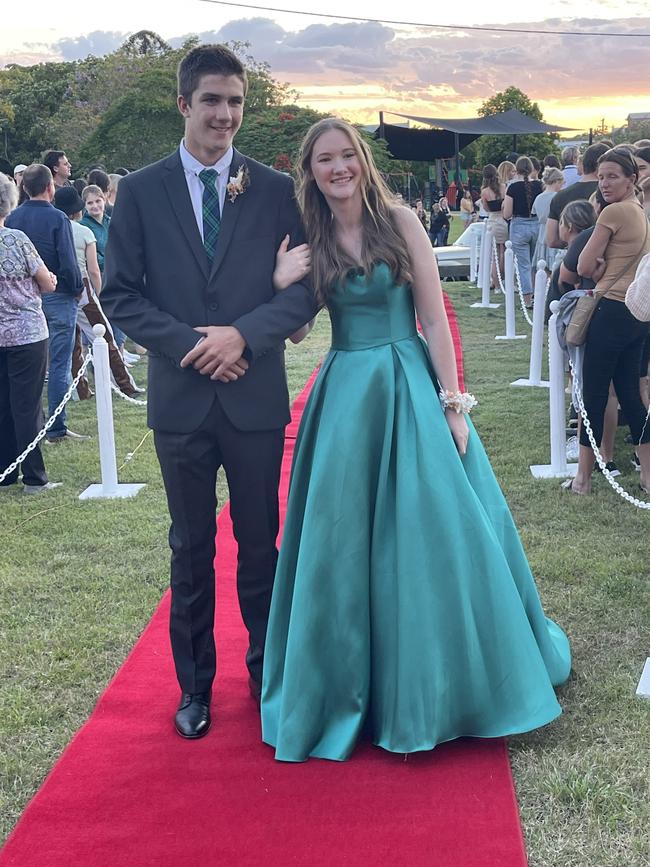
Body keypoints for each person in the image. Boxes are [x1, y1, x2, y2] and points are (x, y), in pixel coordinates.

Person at [260, 118, 571, 763]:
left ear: (362, 161)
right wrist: (280, 280)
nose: (338, 168)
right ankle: (353, 687)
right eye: (325, 160)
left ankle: (445, 682)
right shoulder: (310, 234)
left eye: (347, 156)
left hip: (407, 382)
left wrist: (453, 404)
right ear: (309, 170)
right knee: (343, 539)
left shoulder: (399, 221)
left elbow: (432, 313)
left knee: (432, 529)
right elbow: (294, 335)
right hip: (345, 394)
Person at [100, 44, 315, 740]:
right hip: (182, 402)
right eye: (213, 100)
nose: (225, 115)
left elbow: (309, 290)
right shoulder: (139, 190)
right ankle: (194, 687)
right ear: (184, 103)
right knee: (190, 548)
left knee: (262, 544)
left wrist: (243, 336)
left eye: (236, 102)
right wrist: (198, 344)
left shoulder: (278, 190)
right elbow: (122, 297)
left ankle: (264, 673)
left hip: (253, 398)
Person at [571, 148, 650, 494]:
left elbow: (583, 267)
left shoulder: (614, 212)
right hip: (636, 312)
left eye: (613, 176)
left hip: (609, 309)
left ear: (631, 179)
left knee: (594, 394)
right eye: (601, 176)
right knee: (632, 395)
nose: (604, 183)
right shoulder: (641, 213)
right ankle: (647, 476)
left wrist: (600, 267)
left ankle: (583, 478)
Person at [5, 164, 87, 443]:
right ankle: (55, 426)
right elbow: (68, 260)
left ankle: (30, 427)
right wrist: (77, 289)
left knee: (28, 373)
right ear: (51, 187)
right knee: (60, 364)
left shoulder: (12, 219)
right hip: (58, 294)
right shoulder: (58, 218)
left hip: (22, 301)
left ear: (24, 188)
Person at [0, 172, 60, 492]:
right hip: (26, 335)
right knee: (27, 407)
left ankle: (5, 471)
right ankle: (34, 477)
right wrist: (50, 278)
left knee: (3, 405)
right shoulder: (16, 240)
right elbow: (46, 282)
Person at [546, 142, 609, 250]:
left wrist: (573, 243)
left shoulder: (560, 195)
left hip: (570, 255)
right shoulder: (609, 195)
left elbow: (552, 240)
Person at [503, 156, 543, 307]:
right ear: (532, 168)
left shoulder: (512, 188)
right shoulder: (540, 186)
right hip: (537, 225)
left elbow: (507, 214)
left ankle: (527, 300)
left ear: (517, 169)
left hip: (519, 225)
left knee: (523, 265)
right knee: (536, 264)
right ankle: (538, 297)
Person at [532, 166, 564, 271]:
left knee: (542, 266)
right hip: (555, 231)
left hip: (542, 233)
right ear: (556, 181)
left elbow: (535, 213)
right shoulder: (559, 197)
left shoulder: (538, 197)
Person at [480, 163, 507, 285]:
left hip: (493, 221)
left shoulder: (485, 192)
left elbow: (486, 209)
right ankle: (503, 278)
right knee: (504, 252)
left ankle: (495, 281)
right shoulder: (503, 187)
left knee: (495, 254)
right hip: (503, 220)